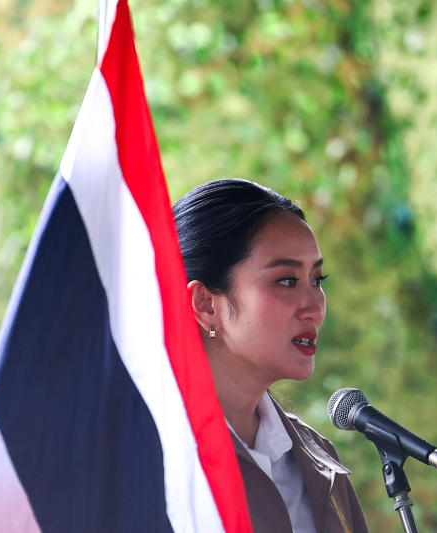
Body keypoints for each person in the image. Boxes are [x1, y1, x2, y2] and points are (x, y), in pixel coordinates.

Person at [173, 178, 369, 533]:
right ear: (205, 304)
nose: (315, 308)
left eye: (318, 280)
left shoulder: (320, 462)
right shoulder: (150, 455)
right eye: (287, 281)